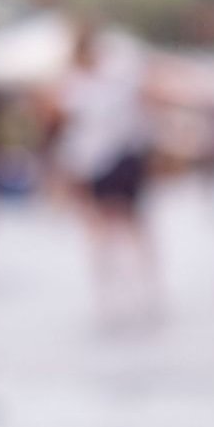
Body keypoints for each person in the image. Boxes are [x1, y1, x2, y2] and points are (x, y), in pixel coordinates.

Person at [42, 23, 159, 321]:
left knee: (122, 224)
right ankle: (120, 286)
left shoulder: (109, 76)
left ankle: (136, 285)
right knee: (111, 226)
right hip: (100, 161)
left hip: (114, 158)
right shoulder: (78, 84)